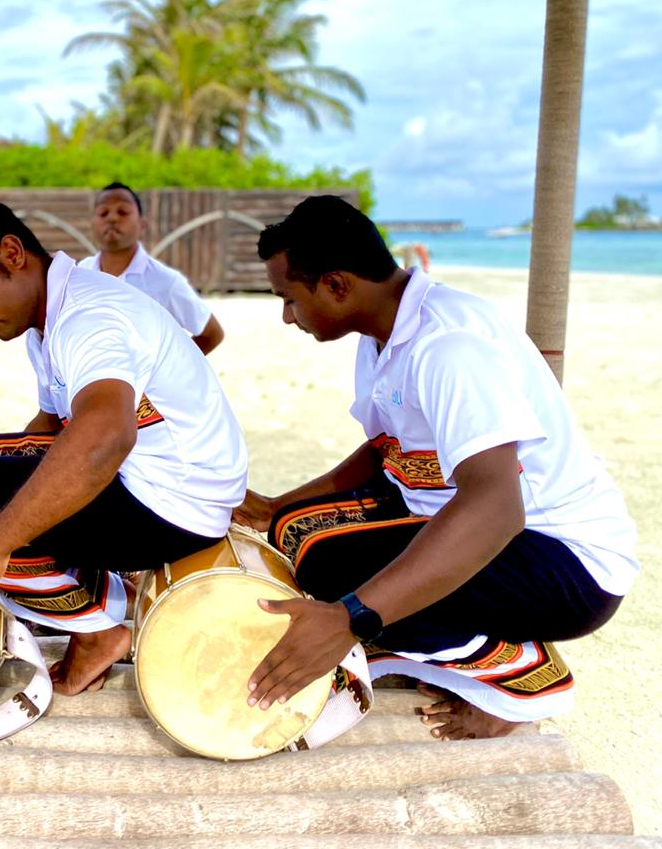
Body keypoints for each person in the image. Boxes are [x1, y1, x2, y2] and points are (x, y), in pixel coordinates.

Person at [236, 195, 637, 740]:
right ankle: (402, 632)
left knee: (330, 568)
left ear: (335, 285)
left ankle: (519, 672)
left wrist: (351, 618)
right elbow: (386, 450)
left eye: (289, 299)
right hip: (468, 522)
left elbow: (496, 509)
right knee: (294, 531)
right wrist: (283, 504)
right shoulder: (381, 333)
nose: (287, 316)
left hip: (563, 562)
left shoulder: (448, 346)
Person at [0, 198, 248, 695]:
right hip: (156, 479)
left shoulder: (88, 317)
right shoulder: (49, 316)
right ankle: (101, 593)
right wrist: (2, 476)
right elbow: (51, 427)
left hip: (175, 504)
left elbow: (107, 436)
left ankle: (98, 629)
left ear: (12, 254)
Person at [78, 182, 224, 354]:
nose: (112, 218)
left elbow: (212, 334)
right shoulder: (80, 274)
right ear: (92, 224)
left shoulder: (165, 282)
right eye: (103, 213)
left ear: (142, 225)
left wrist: (170, 370)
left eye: (122, 212)